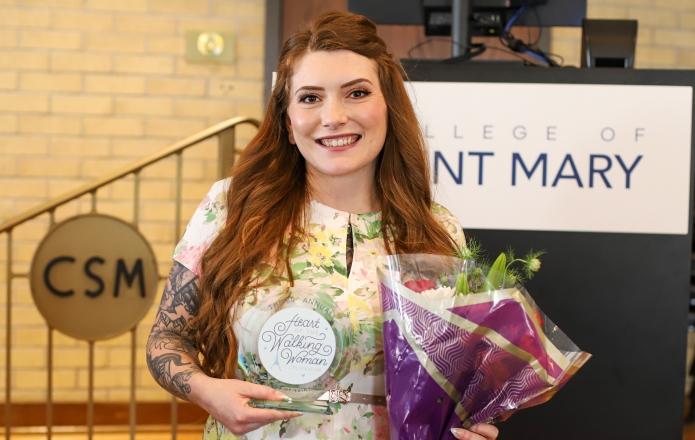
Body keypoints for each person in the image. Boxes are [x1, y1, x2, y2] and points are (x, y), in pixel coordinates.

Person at [146, 11, 500, 440]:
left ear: (389, 106)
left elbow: (460, 382)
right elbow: (166, 340)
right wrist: (207, 391)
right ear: (289, 123)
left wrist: (471, 426)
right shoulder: (231, 206)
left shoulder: (436, 231)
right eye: (310, 97)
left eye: (356, 93)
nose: (333, 116)